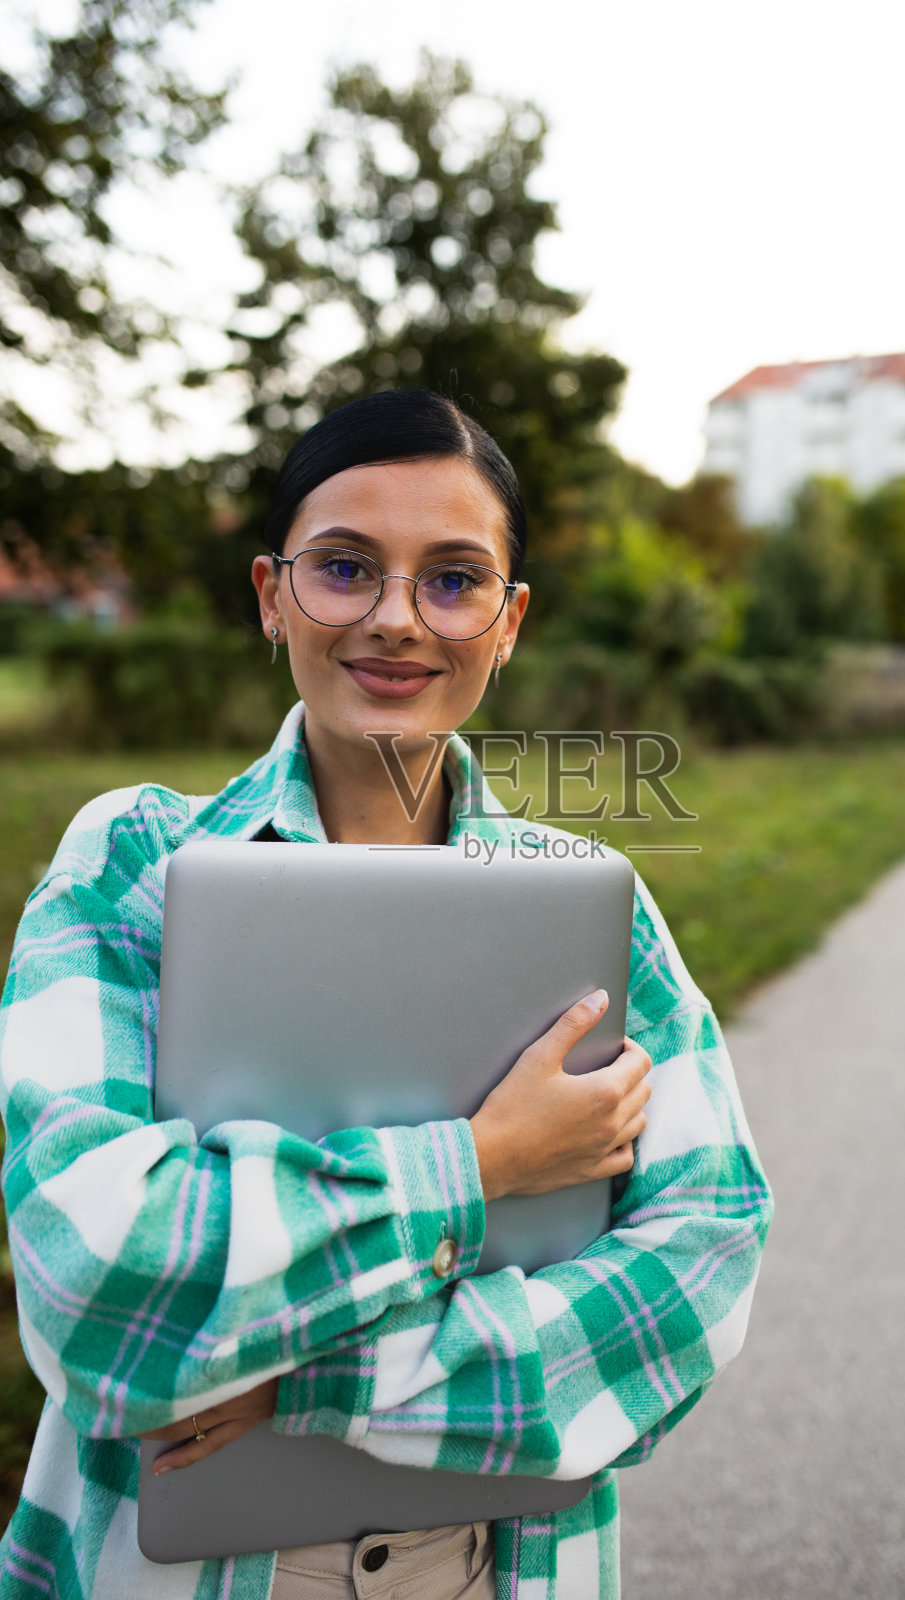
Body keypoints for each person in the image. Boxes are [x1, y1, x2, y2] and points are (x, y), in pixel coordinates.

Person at [0, 391, 772, 1600]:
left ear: (509, 622)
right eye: (345, 568)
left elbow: (697, 1268)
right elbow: (91, 1279)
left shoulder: (590, 907)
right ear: (271, 594)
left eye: (454, 580)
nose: (397, 620)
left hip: (492, 1569)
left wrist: (306, 1383)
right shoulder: (130, 868)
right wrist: (477, 1164)